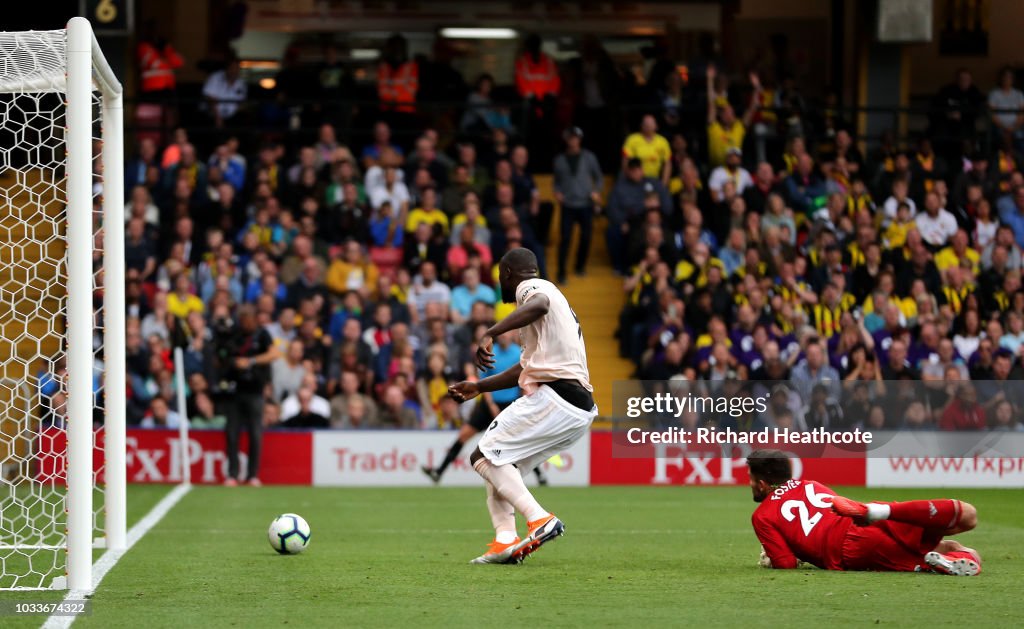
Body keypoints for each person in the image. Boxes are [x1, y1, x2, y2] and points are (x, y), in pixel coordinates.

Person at [449, 248, 597, 564]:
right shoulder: (544, 313)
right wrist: (479, 386)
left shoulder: (533, 289)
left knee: (482, 454)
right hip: (577, 407)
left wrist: (490, 331)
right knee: (503, 466)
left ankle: (540, 519)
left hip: (557, 397)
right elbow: (525, 368)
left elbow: (538, 304)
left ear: (507, 274)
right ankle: (505, 541)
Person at [748, 449, 981, 575]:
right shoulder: (811, 484)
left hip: (852, 546)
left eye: (750, 479)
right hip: (863, 520)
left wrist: (781, 558)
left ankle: (932, 564)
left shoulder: (762, 516)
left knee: (924, 559)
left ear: (761, 484)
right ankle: (882, 511)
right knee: (959, 539)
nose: (749, 484)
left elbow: (786, 563)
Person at [422, 331, 548, 485]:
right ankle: (439, 472)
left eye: (507, 334)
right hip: (488, 403)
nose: (503, 336)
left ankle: (539, 475)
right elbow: (483, 382)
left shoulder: (518, 354)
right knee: (464, 435)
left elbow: (523, 381)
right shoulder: (490, 353)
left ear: (512, 335)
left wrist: (521, 402)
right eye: (501, 334)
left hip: (510, 404)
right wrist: (491, 405)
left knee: (518, 439)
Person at [214, 304, 280, 487]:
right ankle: (232, 474)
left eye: (248, 319)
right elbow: (222, 356)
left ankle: (252, 475)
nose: (246, 324)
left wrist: (250, 361)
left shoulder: (262, 334)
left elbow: (274, 353)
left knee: (255, 433)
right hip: (235, 391)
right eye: (242, 320)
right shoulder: (233, 334)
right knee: (232, 433)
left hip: (255, 391)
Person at [553, 127, 603, 283]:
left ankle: (580, 266)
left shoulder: (589, 157)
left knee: (586, 237)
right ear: (566, 140)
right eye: (570, 138)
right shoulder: (559, 159)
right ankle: (561, 271)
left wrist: (596, 191)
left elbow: (599, 177)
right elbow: (556, 182)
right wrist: (557, 192)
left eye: (575, 138)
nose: (573, 141)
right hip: (567, 204)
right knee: (565, 238)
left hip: (586, 203)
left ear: (579, 139)